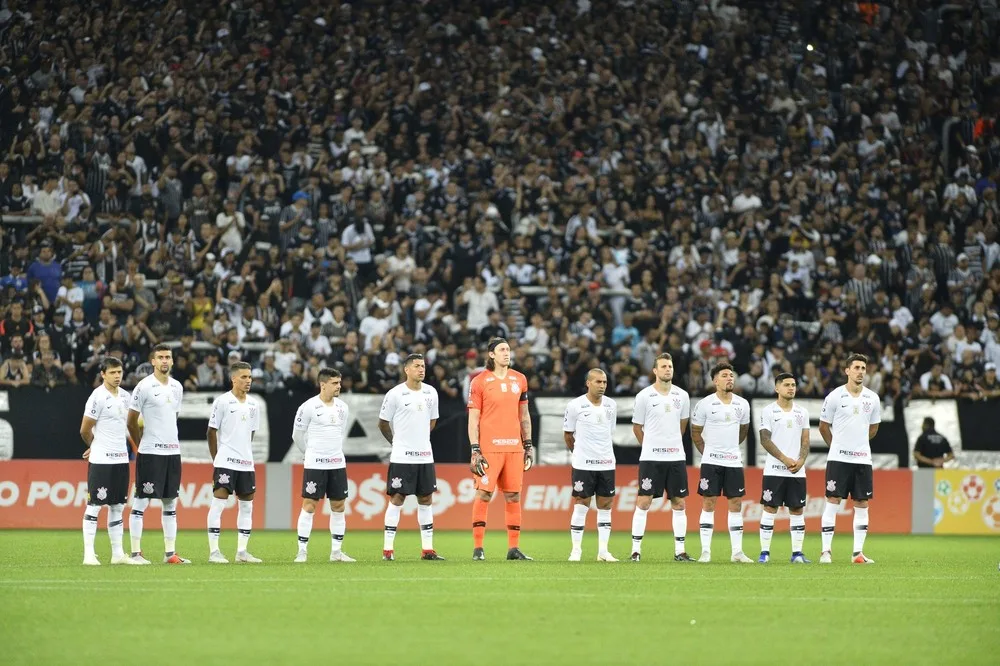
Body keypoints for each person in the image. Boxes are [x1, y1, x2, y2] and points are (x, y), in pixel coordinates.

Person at [467, 337, 533, 561]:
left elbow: (524, 415)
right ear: (491, 355)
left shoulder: (520, 379)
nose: (507, 353)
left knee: (513, 495)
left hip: (514, 448)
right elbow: (473, 418)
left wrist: (528, 444)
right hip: (490, 448)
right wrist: (475, 449)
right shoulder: (480, 381)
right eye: (502, 350)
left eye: (508, 349)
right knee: (484, 493)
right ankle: (478, 548)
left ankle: (513, 549)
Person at [127, 343, 190, 564]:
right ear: (153, 361)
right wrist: (140, 443)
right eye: (160, 357)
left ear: (172, 361)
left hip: (173, 452)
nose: (164, 361)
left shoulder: (177, 387)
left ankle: (170, 554)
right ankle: (135, 553)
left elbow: (173, 418)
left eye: (168, 357)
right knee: (141, 502)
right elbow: (131, 421)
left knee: (170, 503)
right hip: (150, 452)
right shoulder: (143, 387)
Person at [378, 354, 445, 561]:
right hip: (402, 457)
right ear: (406, 369)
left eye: (423, 366)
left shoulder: (431, 393)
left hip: (425, 456)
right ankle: (388, 549)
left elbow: (432, 421)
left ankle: (427, 549)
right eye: (416, 366)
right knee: (397, 498)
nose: (421, 369)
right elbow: (382, 423)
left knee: (426, 499)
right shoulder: (395, 394)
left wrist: (420, 440)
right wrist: (396, 442)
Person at [818, 353, 882, 564]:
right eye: (856, 367)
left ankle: (858, 553)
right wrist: (837, 446)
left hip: (863, 459)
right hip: (838, 459)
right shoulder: (835, 396)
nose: (860, 371)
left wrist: (858, 444)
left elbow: (873, 428)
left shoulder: (872, 398)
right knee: (833, 500)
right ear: (847, 371)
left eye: (863, 368)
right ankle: (826, 551)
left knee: (862, 502)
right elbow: (823, 426)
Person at [630, 352, 693, 562]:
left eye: (670, 366)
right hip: (651, 459)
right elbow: (637, 427)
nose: (668, 369)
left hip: (675, 457)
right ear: (655, 371)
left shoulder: (682, 396)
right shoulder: (644, 396)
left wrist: (670, 443)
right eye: (664, 366)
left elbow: (682, 425)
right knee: (644, 501)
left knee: (679, 503)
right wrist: (650, 446)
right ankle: (635, 551)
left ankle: (680, 551)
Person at [690, 362, 753, 564]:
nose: (729, 379)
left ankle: (737, 552)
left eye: (731, 375)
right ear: (715, 380)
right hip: (711, 462)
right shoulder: (705, 404)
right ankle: (706, 552)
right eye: (725, 375)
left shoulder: (742, 404)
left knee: (736, 504)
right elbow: (696, 432)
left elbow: (744, 431)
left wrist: (730, 448)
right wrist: (708, 452)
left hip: (734, 461)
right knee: (709, 503)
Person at [292, 368, 355, 563]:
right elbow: (297, 435)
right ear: (323, 384)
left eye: (339, 382)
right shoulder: (308, 407)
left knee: (338, 505)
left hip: (337, 462)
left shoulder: (343, 407)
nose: (339, 386)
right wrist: (309, 454)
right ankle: (302, 551)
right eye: (335, 383)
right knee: (310, 505)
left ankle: (336, 552)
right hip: (315, 464)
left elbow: (340, 432)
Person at [79, 358, 135, 565]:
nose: (117, 376)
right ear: (103, 374)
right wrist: (94, 446)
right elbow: (85, 429)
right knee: (94, 505)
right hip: (101, 460)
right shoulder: (97, 397)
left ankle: (118, 554)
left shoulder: (126, 397)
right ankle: (88, 555)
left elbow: (128, 426)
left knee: (118, 506)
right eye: (112, 372)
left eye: (119, 372)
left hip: (121, 459)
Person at [206, 362, 262, 564]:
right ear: (234, 379)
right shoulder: (222, 402)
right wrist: (217, 459)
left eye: (250, 377)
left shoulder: (254, 404)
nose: (248, 381)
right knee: (219, 503)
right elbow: (211, 431)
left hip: (246, 463)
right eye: (244, 377)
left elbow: (251, 432)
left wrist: (244, 451)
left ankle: (242, 552)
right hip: (226, 461)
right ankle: (214, 552)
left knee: (247, 506)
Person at [564, 368, 619, 562]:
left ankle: (603, 551)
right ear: (588, 383)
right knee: (581, 504)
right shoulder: (575, 405)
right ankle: (576, 550)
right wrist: (580, 453)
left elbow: (608, 433)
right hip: (583, 464)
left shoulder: (611, 405)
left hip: (606, 463)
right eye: (598, 382)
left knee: (605, 506)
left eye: (604, 382)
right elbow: (568, 435)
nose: (602, 386)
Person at [757, 373, 811, 564]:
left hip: (797, 470)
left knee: (797, 509)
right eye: (787, 385)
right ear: (777, 388)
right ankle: (764, 552)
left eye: (793, 384)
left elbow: (805, 440)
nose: (791, 388)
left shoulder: (802, 413)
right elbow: (765, 439)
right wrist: (785, 459)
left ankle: (797, 553)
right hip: (774, 470)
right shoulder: (769, 411)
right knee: (770, 508)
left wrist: (801, 460)